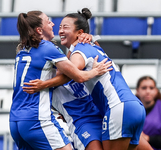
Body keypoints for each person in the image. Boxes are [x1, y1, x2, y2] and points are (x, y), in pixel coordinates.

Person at [23, 8, 153, 150]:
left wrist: (43, 84)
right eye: (59, 26)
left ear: (80, 33)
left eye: (65, 27)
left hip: (115, 108)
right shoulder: (90, 47)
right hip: (130, 106)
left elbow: (70, 74)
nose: (59, 30)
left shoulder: (79, 51)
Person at [9, 10, 112, 150]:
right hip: (36, 119)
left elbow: (61, 72)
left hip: (15, 121)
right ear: (39, 30)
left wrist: (86, 38)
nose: (53, 24)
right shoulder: (47, 48)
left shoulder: (22, 50)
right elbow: (78, 76)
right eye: (48, 21)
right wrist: (96, 71)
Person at [136, 76, 161, 150]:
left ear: (156, 90)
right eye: (144, 88)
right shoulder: (131, 109)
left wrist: (148, 138)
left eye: (151, 88)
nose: (148, 91)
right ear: (138, 91)